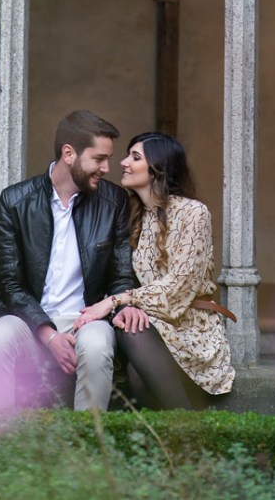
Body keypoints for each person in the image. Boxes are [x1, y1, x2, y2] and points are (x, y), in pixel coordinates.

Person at [0, 110, 148, 413]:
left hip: (87, 320)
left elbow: (121, 275)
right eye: (99, 159)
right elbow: (9, 283)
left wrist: (120, 305)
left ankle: (88, 437)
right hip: (28, 322)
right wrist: (49, 335)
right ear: (69, 154)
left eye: (108, 159)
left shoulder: (114, 202)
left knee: (96, 345)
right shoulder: (14, 202)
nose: (107, 168)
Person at [73, 132, 235, 409]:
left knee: (131, 333)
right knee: (131, 343)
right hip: (150, 324)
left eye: (135, 157)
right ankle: (187, 430)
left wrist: (115, 301)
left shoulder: (193, 213)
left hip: (188, 326)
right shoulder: (135, 215)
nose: (123, 162)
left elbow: (179, 287)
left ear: (158, 168)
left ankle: (189, 427)